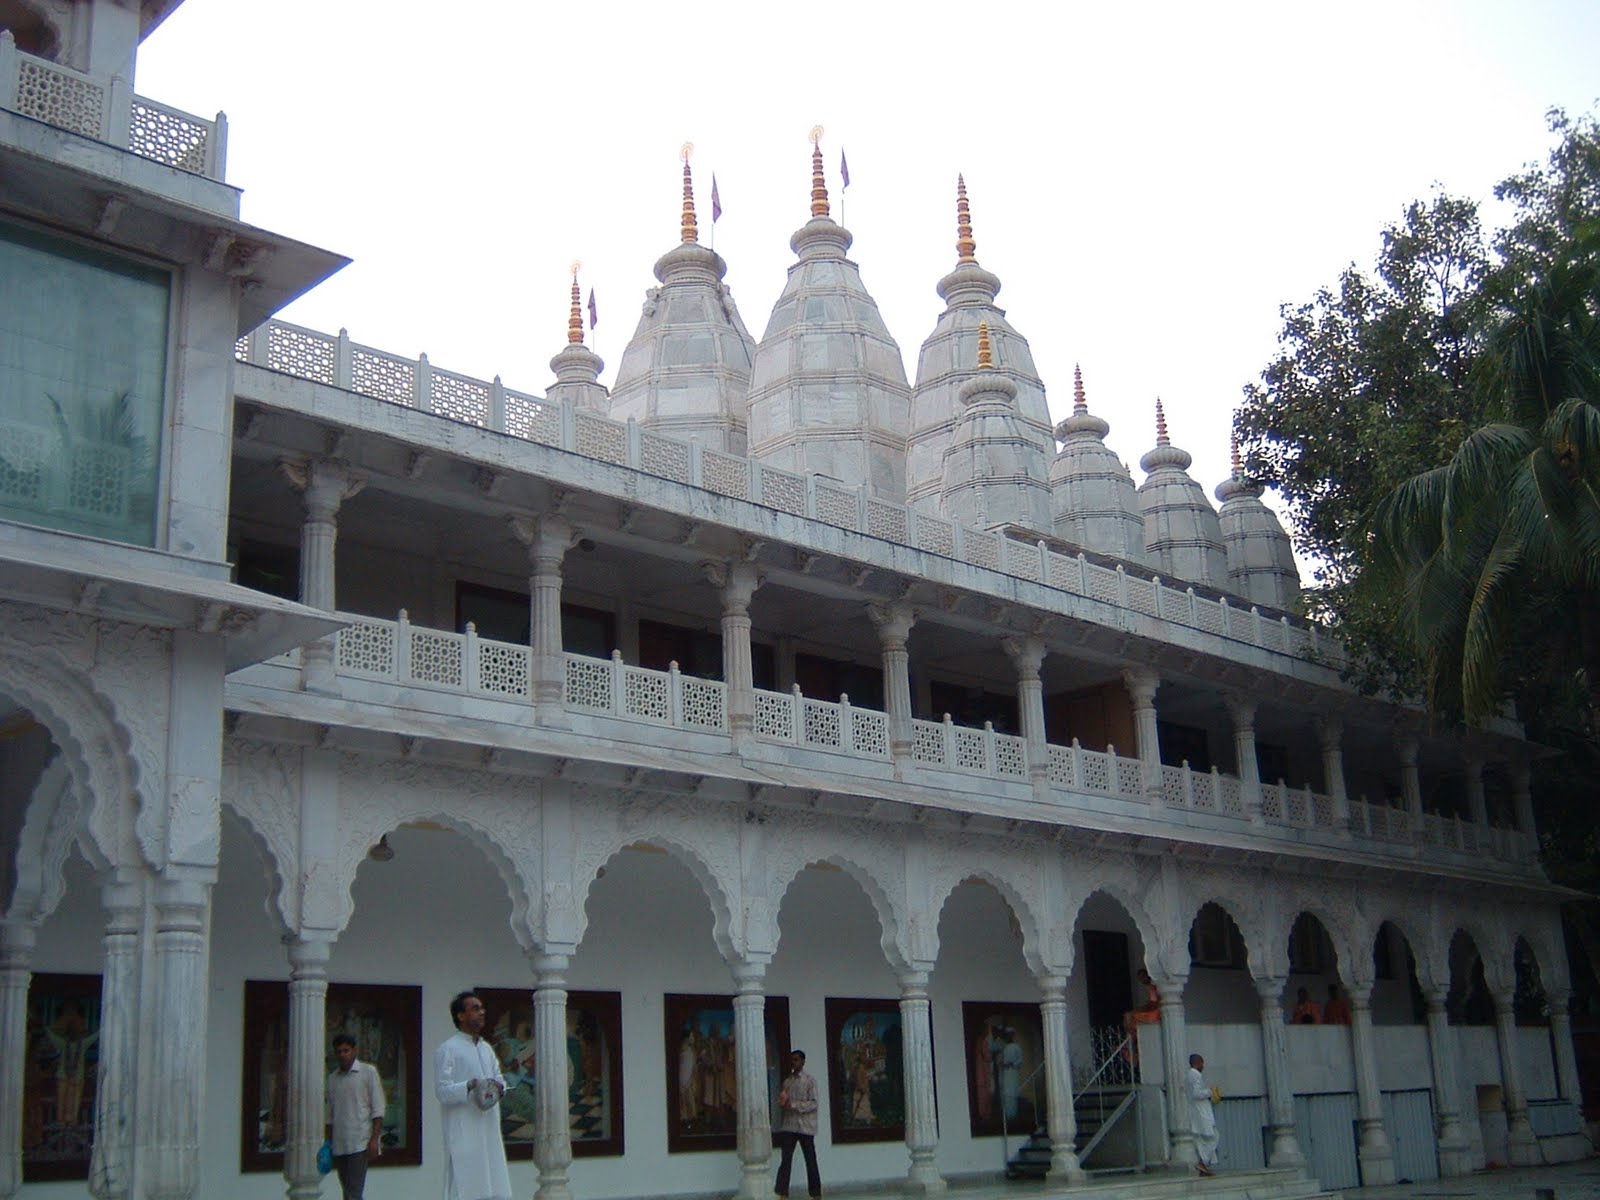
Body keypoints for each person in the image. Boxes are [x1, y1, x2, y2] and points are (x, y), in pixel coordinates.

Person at [436, 991, 513, 1200]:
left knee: (493, 1180)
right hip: (464, 1130)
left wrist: (498, 1087)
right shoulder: (448, 1049)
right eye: (475, 1008)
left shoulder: (486, 1049)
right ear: (461, 1016)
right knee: (466, 1184)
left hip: (488, 1127)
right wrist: (469, 1086)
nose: (482, 1013)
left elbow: (500, 1079)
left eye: (482, 1008)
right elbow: (442, 1092)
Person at [327, 1032, 385, 1200]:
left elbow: (378, 1108)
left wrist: (375, 1139)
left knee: (353, 1192)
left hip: (360, 1142)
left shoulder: (368, 1072)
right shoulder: (333, 1078)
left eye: (346, 1050)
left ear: (354, 1051)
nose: (343, 1055)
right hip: (339, 1144)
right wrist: (328, 1143)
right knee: (348, 1191)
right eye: (339, 1051)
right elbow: (331, 1114)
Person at [774, 1049, 821, 1198]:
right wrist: (783, 1102)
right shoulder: (787, 1082)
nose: (793, 1063)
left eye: (796, 1060)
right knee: (786, 1160)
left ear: (802, 1061)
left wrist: (794, 1105)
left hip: (805, 1127)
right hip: (789, 1126)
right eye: (792, 1060)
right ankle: (782, 1192)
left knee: (810, 1160)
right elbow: (784, 1100)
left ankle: (815, 1193)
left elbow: (813, 1103)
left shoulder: (809, 1081)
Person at [1187, 1053, 1219, 1176]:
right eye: (1201, 1063)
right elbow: (1196, 1094)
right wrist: (1210, 1092)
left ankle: (1203, 1167)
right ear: (1197, 1063)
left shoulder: (1189, 1075)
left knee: (1201, 1140)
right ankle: (1203, 1162)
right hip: (1201, 1111)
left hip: (1196, 1111)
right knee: (1213, 1136)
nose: (1203, 1066)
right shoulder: (1195, 1075)